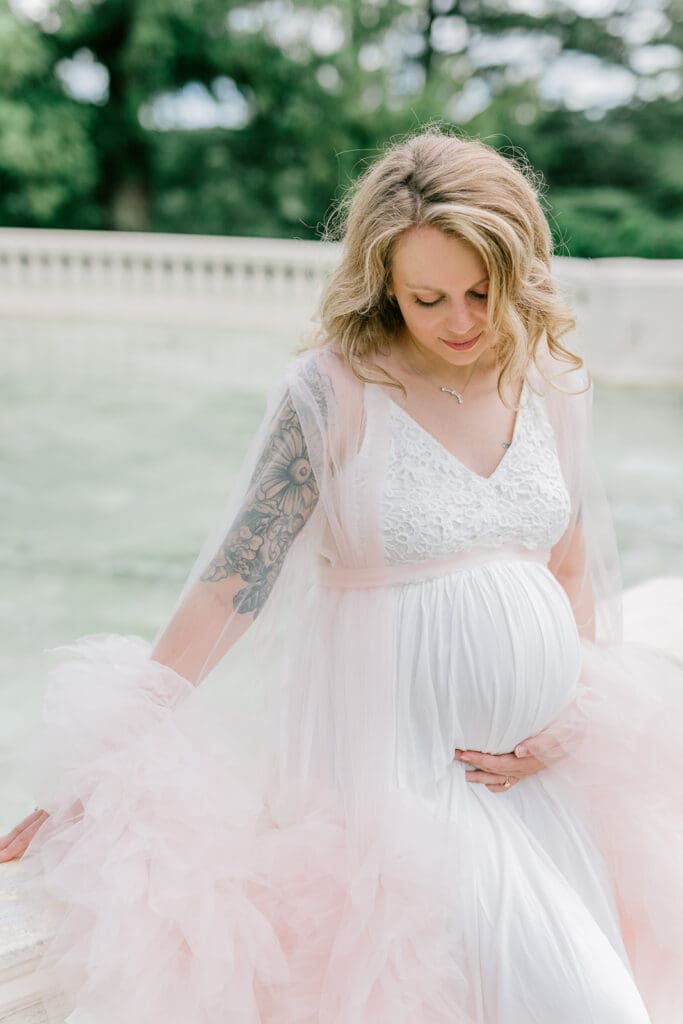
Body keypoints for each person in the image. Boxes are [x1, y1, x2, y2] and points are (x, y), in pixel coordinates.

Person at [2, 126, 682, 1024]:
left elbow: (569, 570)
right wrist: (98, 764)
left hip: (530, 784)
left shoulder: (550, 383)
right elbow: (230, 582)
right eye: (426, 297)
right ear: (382, 286)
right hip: (392, 788)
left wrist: (570, 719)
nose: (461, 321)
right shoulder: (332, 392)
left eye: (482, 291)